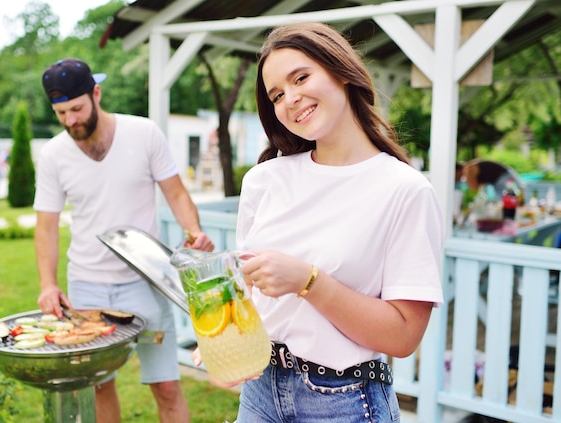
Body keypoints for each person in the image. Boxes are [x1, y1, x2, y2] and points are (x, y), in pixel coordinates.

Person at [205, 23, 445, 422]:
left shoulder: (405, 189)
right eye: (277, 95)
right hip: (260, 391)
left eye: (301, 77)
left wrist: (307, 282)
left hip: (345, 401)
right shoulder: (263, 181)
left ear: (342, 70)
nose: (291, 99)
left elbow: (404, 337)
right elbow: (248, 293)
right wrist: (227, 344)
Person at [34, 58, 214, 423]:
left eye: (77, 108)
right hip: (87, 287)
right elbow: (46, 226)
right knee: (99, 385)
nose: (70, 120)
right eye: (61, 113)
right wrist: (48, 284)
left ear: (96, 93)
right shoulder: (53, 154)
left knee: (165, 385)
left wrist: (193, 231)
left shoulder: (143, 133)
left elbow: (176, 194)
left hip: (146, 281)